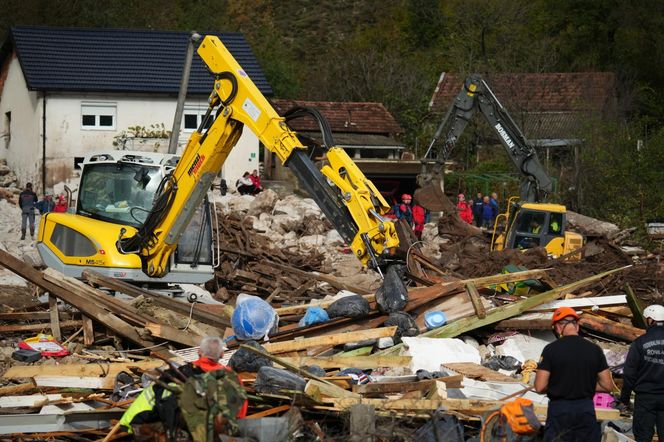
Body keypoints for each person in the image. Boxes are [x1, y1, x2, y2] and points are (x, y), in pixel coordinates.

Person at [120, 336, 247, 439]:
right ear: (222, 354)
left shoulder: (178, 374)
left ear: (199, 352)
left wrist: (127, 425)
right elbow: (241, 413)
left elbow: (149, 401)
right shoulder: (232, 378)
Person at [535, 307, 613, 442]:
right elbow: (607, 385)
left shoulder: (550, 350)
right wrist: (583, 385)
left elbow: (540, 387)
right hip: (585, 409)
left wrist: (560, 386)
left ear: (558, 327)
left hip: (560, 410)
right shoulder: (595, 350)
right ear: (576, 326)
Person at [620, 304, 664, 442]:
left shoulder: (639, 343)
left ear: (650, 320)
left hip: (645, 398)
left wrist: (624, 399)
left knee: (643, 436)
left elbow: (629, 373)